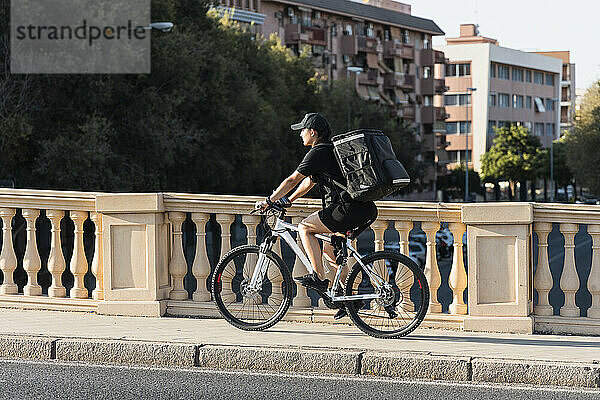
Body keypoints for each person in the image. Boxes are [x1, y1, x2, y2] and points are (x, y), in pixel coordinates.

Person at [256, 113, 377, 319]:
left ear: (312, 132)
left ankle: (318, 277)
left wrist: (269, 201)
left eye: (302, 130)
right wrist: (289, 200)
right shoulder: (329, 150)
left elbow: (293, 179)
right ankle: (351, 299)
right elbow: (308, 182)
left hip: (346, 209)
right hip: (362, 208)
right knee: (330, 251)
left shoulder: (318, 151)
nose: (300, 134)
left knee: (305, 227)